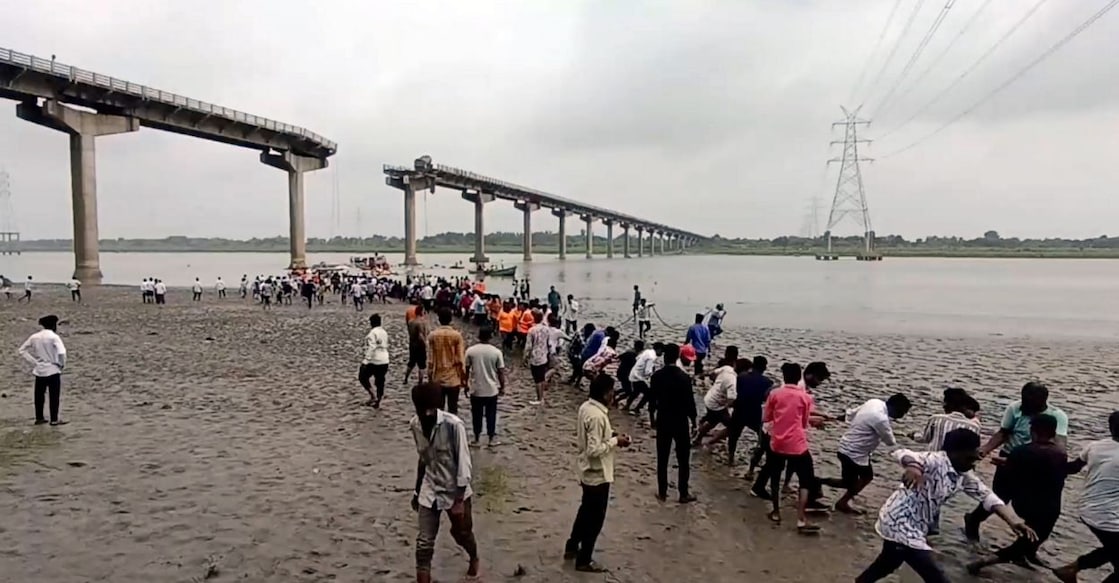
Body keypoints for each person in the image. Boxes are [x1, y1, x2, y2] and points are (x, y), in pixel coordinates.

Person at [855, 429, 1037, 583]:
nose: (975, 459)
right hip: (899, 523)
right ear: (954, 452)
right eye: (970, 455)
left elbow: (988, 496)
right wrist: (913, 467)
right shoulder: (935, 460)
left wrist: (1013, 521)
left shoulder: (963, 474)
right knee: (936, 577)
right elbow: (901, 452)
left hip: (916, 526)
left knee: (887, 563)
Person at [966, 382, 1068, 542]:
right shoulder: (1015, 408)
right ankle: (973, 520)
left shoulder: (1057, 416)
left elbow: (1060, 446)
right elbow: (1003, 433)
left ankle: (1026, 547)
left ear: (1043, 402)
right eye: (1023, 401)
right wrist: (985, 449)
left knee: (1034, 505)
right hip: (1010, 457)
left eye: (1028, 404)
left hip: (1036, 464)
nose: (1024, 406)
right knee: (1000, 498)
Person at [968, 414, 1069, 575]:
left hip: (1022, 503)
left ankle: (1024, 556)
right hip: (1049, 506)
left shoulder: (1021, 451)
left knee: (1029, 536)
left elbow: (1015, 473)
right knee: (1033, 538)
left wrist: (1006, 464)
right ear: (1054, 432)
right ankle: (986, 561)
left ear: (1033, 431)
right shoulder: (1060, 454)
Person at [409, 383, 479, 583]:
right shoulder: (415, 425)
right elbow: (423, 459)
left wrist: (458, 501)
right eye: (423, 409)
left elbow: (464, 465)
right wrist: (416, 492)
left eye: (431, 409)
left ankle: (474, 558)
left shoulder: (453, 425)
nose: (428, 413)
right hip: (430, 488)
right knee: (424, 543)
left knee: (462, 533)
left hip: (455, 489)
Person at [565, 374, 631, 573]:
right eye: (612, 391)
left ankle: (572, 546)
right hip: (598, 473)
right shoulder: (597, 416)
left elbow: (593, 439)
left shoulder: (587, 407)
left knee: (585, 511)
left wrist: (612, 436)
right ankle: (584, 559)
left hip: (587, 471)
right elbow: (593, 449)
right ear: (605, 393)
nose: (613, 395)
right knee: (595, 519)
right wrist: (615, 442)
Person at [756, 362, 828, 533]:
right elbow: (804, 423)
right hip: (797, 443)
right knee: (805, 479)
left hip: (777, 442)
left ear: (784, 377)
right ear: (799, 377)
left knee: (774, 476)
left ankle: (775, 511)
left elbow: (766, 418)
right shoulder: (805, 397)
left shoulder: (775, 394)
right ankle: (801, 519)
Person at [1052, 410, 1119, 583]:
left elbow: (1073, 467)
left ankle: (1072, 568)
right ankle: (1073, 568)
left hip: (1088, 508)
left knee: (1113, 549)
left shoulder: (1096, 446)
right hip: (1109, 517)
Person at [832, 394, 912, 514]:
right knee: (864, 478)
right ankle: (836, 497)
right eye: (902, 412)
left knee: (851, 481)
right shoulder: (881, 419)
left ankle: (837, 496)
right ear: (896, 408)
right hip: (855, 454)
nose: (902, 416)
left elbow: (851, 414)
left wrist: (835, 418)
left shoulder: (873, 402)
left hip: (846, 446)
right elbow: (890, 442)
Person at [651, 343, 698, 503]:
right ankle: (683, 493)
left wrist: (653, 418)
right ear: (678, 357)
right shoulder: (684, 377)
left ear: (664, 357)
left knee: (662, 458)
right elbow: (690, 402)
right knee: (683, 459)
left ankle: (662, 492)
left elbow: (652, 401)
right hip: (680, 421)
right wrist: (694, 420)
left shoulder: (656, 376)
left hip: (663, 419)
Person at [19, 315, 68, 426]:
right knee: (54, 396)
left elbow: (22, 350)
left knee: (39, 395)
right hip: (53, 369)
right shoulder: (54, 337)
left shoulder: (35, 337)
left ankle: (39, 418)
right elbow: (61, 352)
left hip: (40, 370)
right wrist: (61, 364)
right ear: (54, 325)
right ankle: (54, 419)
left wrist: (34, 362)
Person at [727, 356, 772, 473]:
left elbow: (736, 392)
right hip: (754, 412)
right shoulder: (768, 382)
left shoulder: (741, 377)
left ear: (752, 365)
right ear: (764, 368)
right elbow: (765, 399)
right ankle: (757, 463)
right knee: (763, 438)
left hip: (739, 410)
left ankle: (730, 458)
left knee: (733, 435)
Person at [465, 327, 506, 447]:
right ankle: (491, 439)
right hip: (491, 390)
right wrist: (502, 387)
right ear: (491, 337)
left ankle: (476, 439)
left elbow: (466, 370)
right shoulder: (496, 352)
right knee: (491, 415)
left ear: (478, 336)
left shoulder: (471, 351)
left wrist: (466, 385)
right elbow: (501, 372)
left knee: (476, 415)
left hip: (476, 389)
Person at [910, 388, 982, 451]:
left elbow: (925, 438)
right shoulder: (974, 426)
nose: (943, 406)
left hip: (933, 460)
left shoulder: (936, 419)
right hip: (958, 464)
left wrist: (913, 435)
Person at [428, 309, 468, 415]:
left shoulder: (433, 336)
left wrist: (429, 377)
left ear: (439, 319)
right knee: (453, 409)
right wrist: (464, 378)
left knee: (438, 410)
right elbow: (460, 359)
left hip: (438, 378)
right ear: (450, 320)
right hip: (453, 379)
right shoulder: (456, 336)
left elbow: (430, 361)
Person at [691, 356, 738, 447]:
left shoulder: (726, 369)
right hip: (717, 405)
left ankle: (698, 436)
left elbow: (712, 373)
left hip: (710, 397)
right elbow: (731, 399)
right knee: (732, 426)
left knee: (713, 420)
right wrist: (727, 407)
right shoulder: (732, 380)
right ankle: (711, 441)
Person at [358, 314, 390, 408]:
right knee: (380, 381)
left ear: (371, 323)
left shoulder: (372, 333)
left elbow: (372, 347)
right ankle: (378, 401)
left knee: (362, 377)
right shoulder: (384, 332)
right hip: (384, 359)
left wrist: (366, 360)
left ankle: (373, 396)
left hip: (374, 360)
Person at [522, 311, 554, 405]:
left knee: (537, 379)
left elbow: (528, 346)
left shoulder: (532, 330)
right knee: (542, 378)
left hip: (535, 357)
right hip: (544, 356)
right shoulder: (546, 329)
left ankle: (539, 399)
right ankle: (542, 397)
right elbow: (549, 343)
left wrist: (525, 357)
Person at [628, 342, 664, 423]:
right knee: (648, 394)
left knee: (636, 392)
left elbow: (637, 358)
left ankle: (627, 406)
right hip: (639, 377)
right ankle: (637, 408)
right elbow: (648, 371)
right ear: (658, 350)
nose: (661, 354)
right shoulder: (652, 357)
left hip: (634, 373)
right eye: (662, 352)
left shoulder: (647, 351)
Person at [404, 304, 429, 385]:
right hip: (420, 345)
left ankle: (406, 378)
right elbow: (421, 335)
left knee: (411, 362)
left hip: (412, 344)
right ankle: (420, 382)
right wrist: (425, 344)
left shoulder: (411, 322)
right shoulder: (422, 322)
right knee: (422, 365)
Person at [614, 340, 642, 405]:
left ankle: (615, 394)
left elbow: (619, 357)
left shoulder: (629, 352)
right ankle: (616, 400)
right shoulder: (634, 355)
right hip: (625, 375)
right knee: (629, 392)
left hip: (620, 372)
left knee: (626, 389)